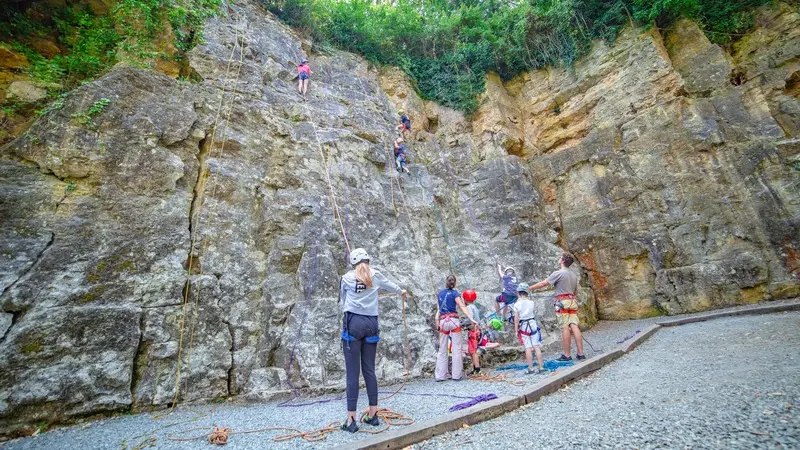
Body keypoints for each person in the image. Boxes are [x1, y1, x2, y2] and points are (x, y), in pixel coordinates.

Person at [339, 248, 407, 433]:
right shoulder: (375, 275)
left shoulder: (346, 278)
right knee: (369, 370)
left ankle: (351, 420)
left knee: (353, 373)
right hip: (371, 323)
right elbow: (391, 286)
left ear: (353, 262)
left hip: (353, 322)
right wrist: (401, 291)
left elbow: (342, 301)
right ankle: (373, 414)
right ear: (367, 260)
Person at [528, 252, 585, 361]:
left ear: (563, 261)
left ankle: (567, 355)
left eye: (560, 258)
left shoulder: (558, 273)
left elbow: (543, 284)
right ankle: (580, 353)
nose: (559, 259)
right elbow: (575, 291)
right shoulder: (573, 275)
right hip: (572, 301)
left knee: (565, 327)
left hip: (562, 302)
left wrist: (529, 288)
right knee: (574, 325)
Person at [435, 275, 476, 381]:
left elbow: (438, 311)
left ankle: (440, 375)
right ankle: (456, 375)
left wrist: (437, 323)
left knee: (442, 349)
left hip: (443, 322)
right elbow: (462, 306)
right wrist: (471, 318)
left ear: (446, 282)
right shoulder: (455, 293)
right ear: (455, 283)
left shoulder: (440, 294)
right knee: (456, 349)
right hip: (453, 321)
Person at [512, 283, 544, 374]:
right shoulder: (531, 302)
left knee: (528, 347)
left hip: (524, 325)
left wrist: (515, 330)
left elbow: (516, 319)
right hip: (532, 323)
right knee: (536, 346)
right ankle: (541, 367)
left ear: (518, 293)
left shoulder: (517, 305)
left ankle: (531, 368)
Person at [462, 289, 482, 375]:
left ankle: (477, 369)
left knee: (473, 351)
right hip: (476, 330)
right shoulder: (474, 307)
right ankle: (474, 368)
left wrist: (461, 324)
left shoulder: (469, 308)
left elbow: (469, 319)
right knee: (471, 350)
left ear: (465, 299)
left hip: (473, 331)